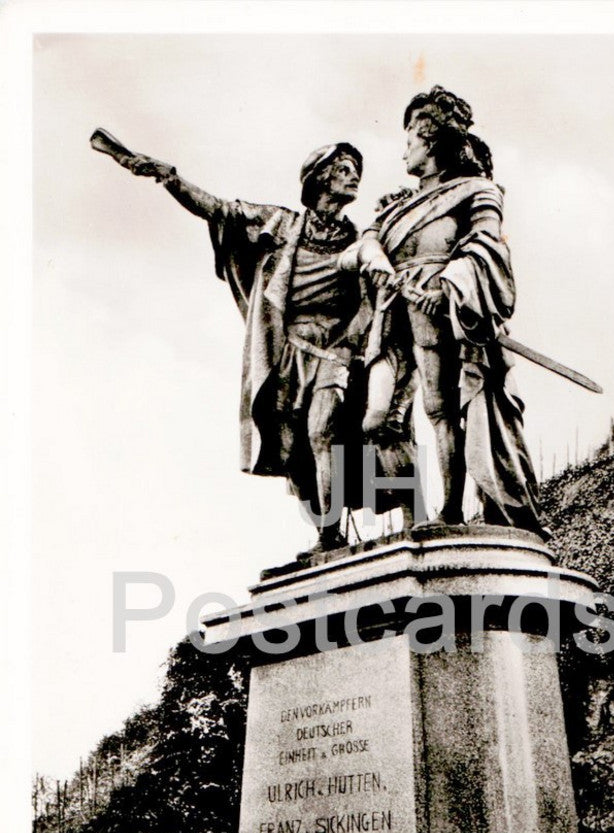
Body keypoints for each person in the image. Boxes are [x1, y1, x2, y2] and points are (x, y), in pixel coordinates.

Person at [111, 140, 366, 551]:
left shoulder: (360, 238)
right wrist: (170, 178)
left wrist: (352, 342)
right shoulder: (282, 223)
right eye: (343, 167)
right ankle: (323, 533)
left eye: (355, 169)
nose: (353, 175)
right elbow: (220, 210)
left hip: (336, 350)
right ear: (320, 177)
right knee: (292, 445)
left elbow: (373, 294)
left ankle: (331, 534)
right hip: (289, 348)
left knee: (323, 433)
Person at [349, 85, 547, 536]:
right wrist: (374, 257)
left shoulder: (478, 191)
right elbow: (368, 238)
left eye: (410, 141)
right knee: (376, 419)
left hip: (441, 311)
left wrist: (451, 285)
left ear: (430, 140)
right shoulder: (397, 208)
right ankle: (411, 511)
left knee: (441, 411)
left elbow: (486, 242)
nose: (404, 151)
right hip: (391, 312)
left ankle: (450, 511)